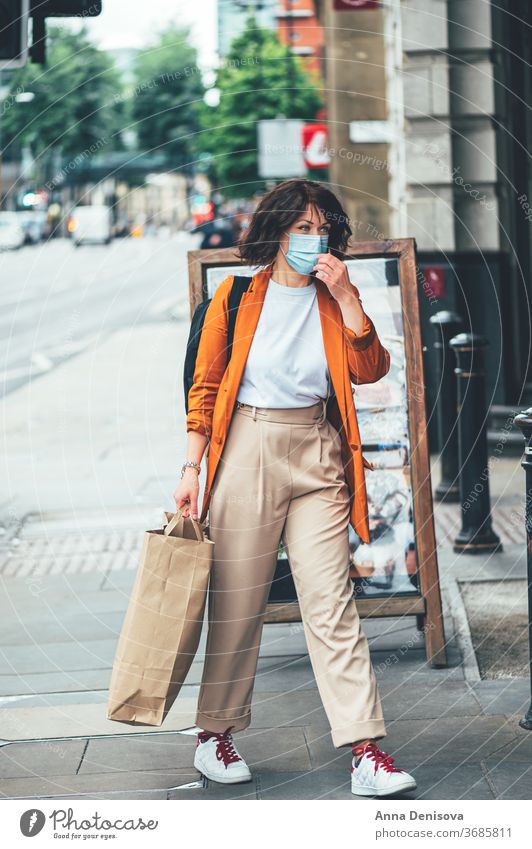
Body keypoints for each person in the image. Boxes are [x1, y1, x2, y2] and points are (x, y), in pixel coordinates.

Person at [174, 178, 417, 797]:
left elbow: (370, 369)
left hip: (318, 453)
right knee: (239, 600)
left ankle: (365, 750)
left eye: (323, 230)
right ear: (277, 231)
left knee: (330, 602)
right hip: (248, 450)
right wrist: (191, 470)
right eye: (302, 228)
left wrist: (346, 294)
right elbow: (204, 393)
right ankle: (215, 734)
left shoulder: (335, 297)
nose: (313, 240)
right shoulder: (235, 299)